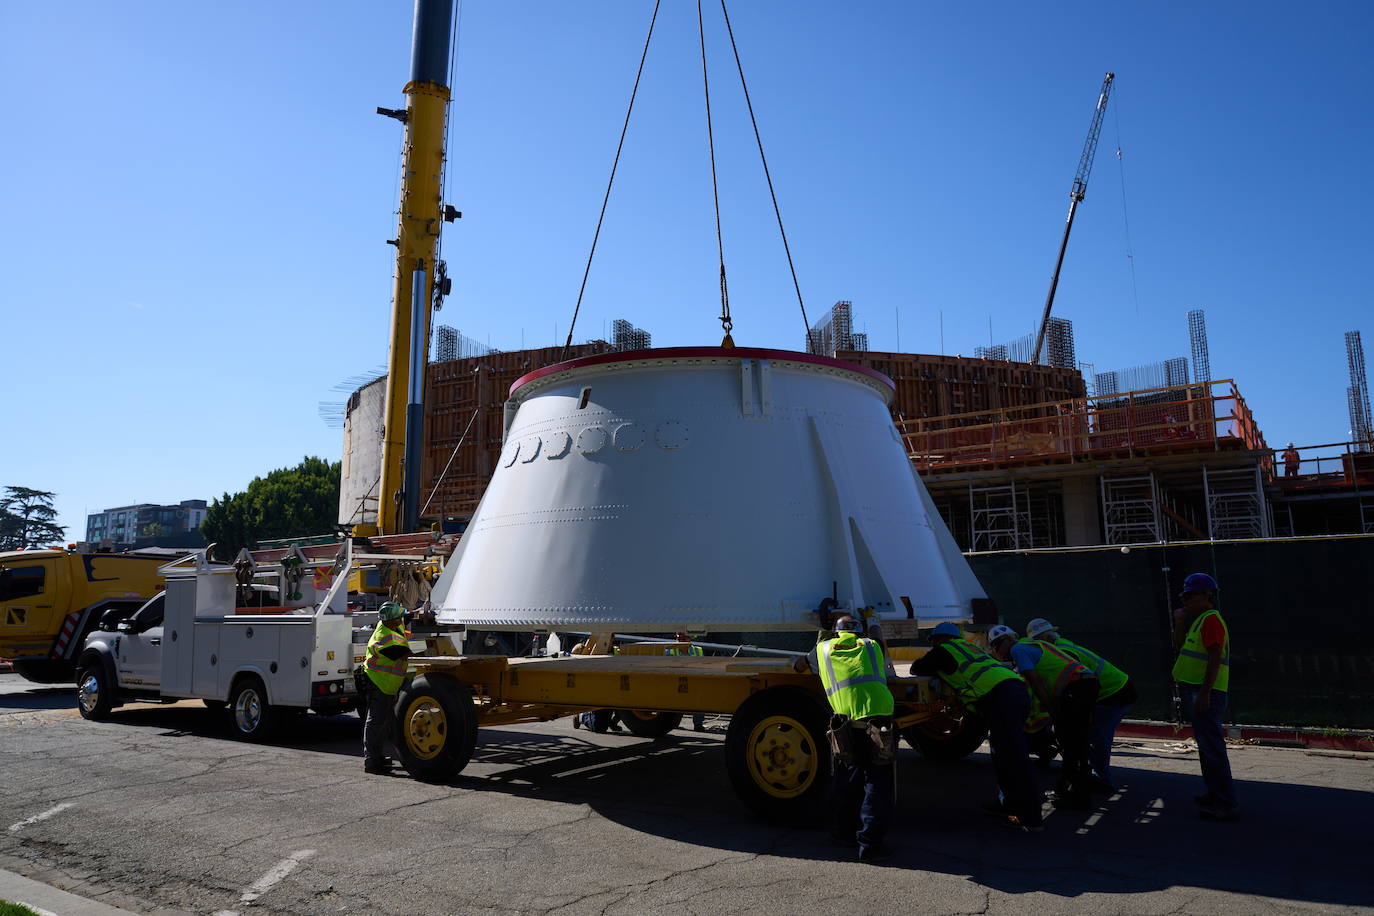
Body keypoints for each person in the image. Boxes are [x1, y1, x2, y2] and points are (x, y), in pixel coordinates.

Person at [913, 621, 1042, 832]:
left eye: (934, 641)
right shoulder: (971, 648)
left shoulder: (942, 651)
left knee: (1014, 759)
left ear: (938, 639)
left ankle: (1030, 817)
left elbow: (917, 668)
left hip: (1000, 699)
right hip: (1014, 691)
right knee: (1003, 755)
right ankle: (1008, 805)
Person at [793, 615, 896, 860]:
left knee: (847, 777)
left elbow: (798, 666)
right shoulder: (872, 646)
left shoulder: (822, 649)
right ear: (859, 632)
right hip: (878, 721)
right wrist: (871, 619)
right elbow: (877, 637)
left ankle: (842, 833)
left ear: (835, 632)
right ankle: (870, 846)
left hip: (846, 724)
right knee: (877, 783)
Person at [1024, 618, 1137, 791]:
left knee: (1097, 736)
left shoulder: (1061, 652)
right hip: (1118, 689)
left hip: (1112, 693)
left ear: (1043, 640)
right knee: (1094, 735)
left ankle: (1101, 779)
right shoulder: (1064, 645)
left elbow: (1072, 683)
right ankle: (1093, 774)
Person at [1002, 627, 1099, 809]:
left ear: (1007, 640)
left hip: (1076, 688)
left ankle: (1075, 795)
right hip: (1085, 684)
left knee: (1071, 742)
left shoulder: (1018, 649)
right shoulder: (1034, 645)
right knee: (1077, 742)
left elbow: (1033, 680)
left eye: (997, 645)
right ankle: (1076, 792)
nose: (998, 651)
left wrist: (1052, 708)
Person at [1172, 572, 1239, 821]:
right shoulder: (1199, 621)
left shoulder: (1210, 620)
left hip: (1204, 692)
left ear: (1204, 596)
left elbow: (1214, 657)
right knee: (1207, 747)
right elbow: (1180, 649)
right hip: (1197, 690)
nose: (1185, 601)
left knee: (1212, 749)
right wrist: (1180, 622)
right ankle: (1215, 794)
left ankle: (1225, 803)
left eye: (1189, 596)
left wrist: (1205, 692)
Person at [361, 601, 414, 775]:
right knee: (376, 722)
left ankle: (377, 757)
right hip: (379, 682)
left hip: (388, 683)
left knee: (385, 722)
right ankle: (372, 761)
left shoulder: (391, 626)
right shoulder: (384, 637)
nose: (401, 619)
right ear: (391, 620)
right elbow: (405, 655)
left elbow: (403, 629)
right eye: (399, 617)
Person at [665, 632, 706, 731]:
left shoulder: (698, 650)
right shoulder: (669, 651)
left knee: (699, 699)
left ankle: (698, 724)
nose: (680, 641)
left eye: (683, 639)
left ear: (689, 639)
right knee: (674, 702)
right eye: (679, 639)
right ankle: (672, 723)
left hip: (693, 680)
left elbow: (703, 665)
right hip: (676, 680)